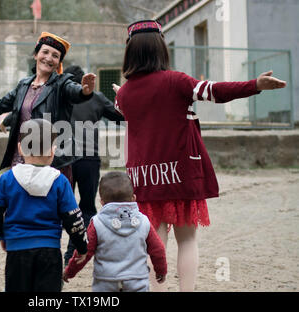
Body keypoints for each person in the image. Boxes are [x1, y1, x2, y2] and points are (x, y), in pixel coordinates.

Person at [112, 19, 287, 291]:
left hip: (144, 177)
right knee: (187, 240)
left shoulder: (123, 94)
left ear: (130, 51)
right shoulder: (176, 81)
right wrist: (256, 84)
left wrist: (122, 96)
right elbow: (215, 91)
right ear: (161, 48)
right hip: (181, 173)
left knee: (153, 244)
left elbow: (132, 117)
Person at [0, 32, 96, 186]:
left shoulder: (62, 84)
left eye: (55, 55)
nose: (49, 58)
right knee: (20, 205)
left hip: (50, 161)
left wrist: (85, 91)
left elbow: (75, 92)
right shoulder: (23, 85)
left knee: (50, 206)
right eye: (45, 52)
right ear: (36, 55)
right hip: (22, 158)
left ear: (58, 63)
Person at [0, 118, 88, 292]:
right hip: (49, 251)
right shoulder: (59, 181)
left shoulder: (7, 178)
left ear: (19, 149)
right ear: (53, 151)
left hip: (17, 251)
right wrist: (82, 246)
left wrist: (2, 235)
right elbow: (74, 220)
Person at [61, 65, 125, 266]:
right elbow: (120, 116)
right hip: (89, 159)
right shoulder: (96, 98)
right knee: (87, 206)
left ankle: (63, 252)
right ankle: (73, 253)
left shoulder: (61, 96)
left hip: (64, 160)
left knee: (63, 206)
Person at [63, 171, 167, 292]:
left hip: (106, 281)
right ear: (133, 198)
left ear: (102, 202)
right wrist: (161, 271)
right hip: (137, 280)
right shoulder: (144, 222)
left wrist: (70, 271)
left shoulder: (97, 223)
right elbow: (158, 250)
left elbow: (84, 252)